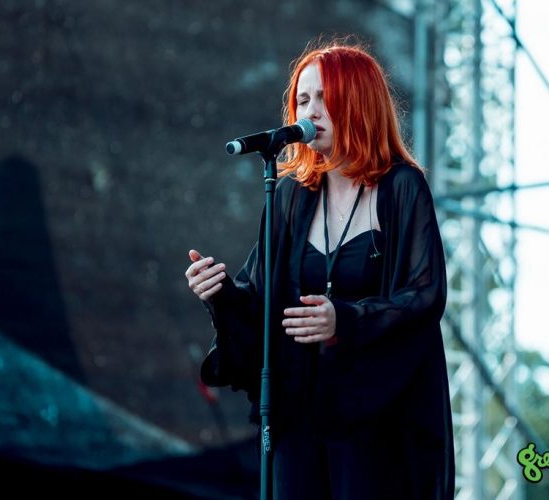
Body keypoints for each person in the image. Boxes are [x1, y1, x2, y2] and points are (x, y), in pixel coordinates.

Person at [185, 38, 455, 500]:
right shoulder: (291, 196)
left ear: (360, 102)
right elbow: (259, 298)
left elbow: (424, 295)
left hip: (376, 419)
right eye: (303, 99)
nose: (310, 111)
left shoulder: (401, 187)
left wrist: (344, 320)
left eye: (325, 98)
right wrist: (220, 292)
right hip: (300, 414)